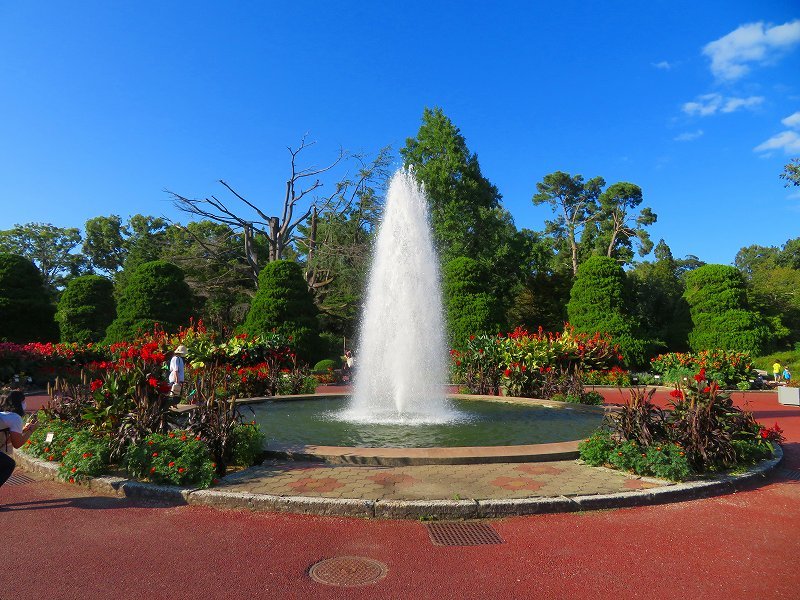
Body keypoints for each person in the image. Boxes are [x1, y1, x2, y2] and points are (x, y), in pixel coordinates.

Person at [1, 390, 39, 488]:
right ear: (19, 402)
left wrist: (23, 430)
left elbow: (7, 440)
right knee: (9, 464)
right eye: (23, 401)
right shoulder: (15, 418)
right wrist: (31, 430)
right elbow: (17, 444)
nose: (25, 404)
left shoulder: (3, 415)